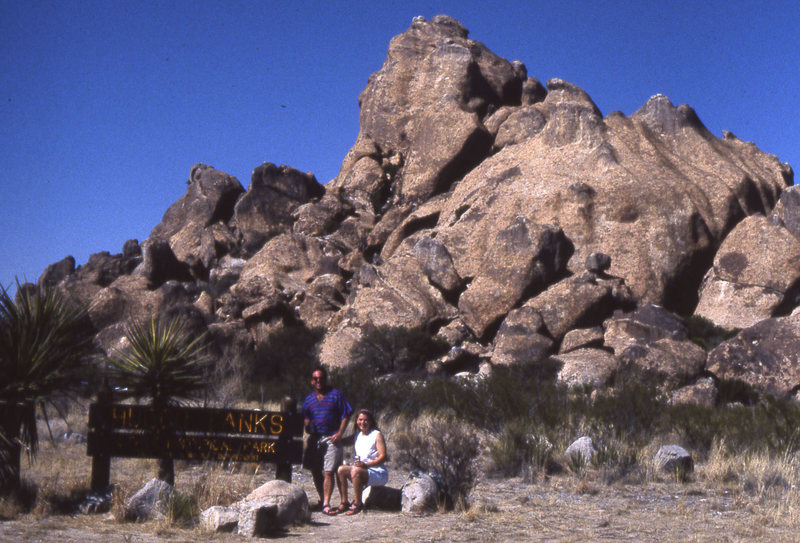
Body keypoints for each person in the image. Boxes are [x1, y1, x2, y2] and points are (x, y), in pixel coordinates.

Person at [302, 366, 352, 516]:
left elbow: (346, 414)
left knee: (329, 471)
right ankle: (323, 499)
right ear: (312, 381)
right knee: (315, 470)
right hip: (315, 439)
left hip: (332, 437)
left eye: (321, 378)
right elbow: (305, 415)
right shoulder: (309, 399)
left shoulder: (336, 395)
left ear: (325, 379)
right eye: (316, 379)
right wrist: (306, 424)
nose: (319, 381)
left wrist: (340, 433)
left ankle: (326, 504)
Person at [336, 409, 388, 516]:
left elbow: (383, 456)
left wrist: (366, 465)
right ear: (356, 421)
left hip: (377, 472)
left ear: (370, 421)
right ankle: (344, 502)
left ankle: (358, 503)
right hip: (362, 470)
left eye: (365, 420)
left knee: (355, 471)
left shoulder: (376, 435)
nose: (362, 423)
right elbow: (343, 441)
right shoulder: (357, 435)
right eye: (360, 420)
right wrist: (334, 437)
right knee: (341, 469)